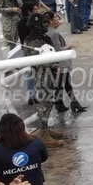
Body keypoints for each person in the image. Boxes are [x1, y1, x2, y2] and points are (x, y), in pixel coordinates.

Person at [21, 12, 64, 142]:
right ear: (36, 25)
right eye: (43, 23)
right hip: (42, 75)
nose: (46, 25)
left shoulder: (41, 37)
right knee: (45, 104)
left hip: (48, 73)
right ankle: (44, 133)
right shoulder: (33, 40)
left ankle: (45, 129)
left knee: (49, 102)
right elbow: (37, 60)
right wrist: (53, 64)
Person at [45, 11, 87, 113]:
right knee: (66, 84)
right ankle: (72, 104)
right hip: (61, 63)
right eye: (56, 17)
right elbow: (57, 50)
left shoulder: (47, 31)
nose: (58, 19)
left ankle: (61, 104)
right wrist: (68, 46)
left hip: (55, 63)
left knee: (61, 85)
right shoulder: (54, 33)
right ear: (50, 20)